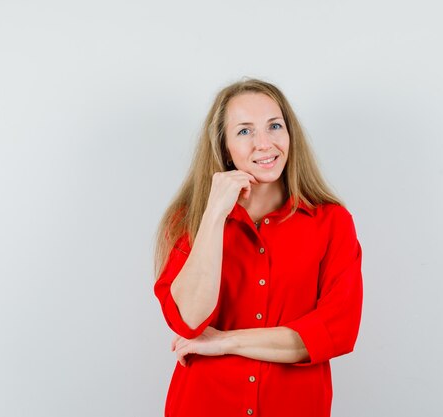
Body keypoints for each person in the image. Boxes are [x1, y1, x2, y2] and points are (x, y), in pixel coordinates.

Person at [153, 78, 363, 417]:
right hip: (204, 404)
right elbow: (188, 321)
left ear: (290, 135)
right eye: (245, 131)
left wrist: (225, 341)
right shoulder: (189, 221)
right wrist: (214, 213)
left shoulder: (332, 222)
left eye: (274, 126)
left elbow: (336, 331)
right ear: (224, 148)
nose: (264, 143)